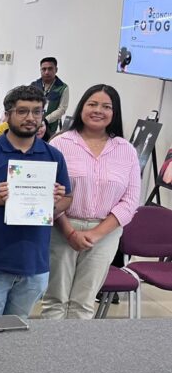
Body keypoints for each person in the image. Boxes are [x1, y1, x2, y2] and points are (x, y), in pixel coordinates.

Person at [0, 85, 72, 318]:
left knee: (18, 327)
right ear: (8, 115)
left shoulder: (53, 156)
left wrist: (53, 202)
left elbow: (67, 198)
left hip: (34, 261)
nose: (31, 118)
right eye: (22, 111)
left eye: (37, 112)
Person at [40, 84, 140, 319]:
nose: (98, 110)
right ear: (81, 107)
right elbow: (47, 194)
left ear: (114, 112)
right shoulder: (60, 144)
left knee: (83, 303)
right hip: (61, 228)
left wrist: (95, 234)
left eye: (106, 106)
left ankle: (76, 345)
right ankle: (49, 344)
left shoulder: (126, 150)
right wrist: (70, 233)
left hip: (105, 234)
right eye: (92, 104)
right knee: (54, 300)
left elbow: (130, 200)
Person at [30, 57, 69, 134]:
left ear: (56, 70)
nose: (46, 72)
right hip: (32, 124)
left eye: (50, 69)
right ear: (40, 70)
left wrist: (45, 120)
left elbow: (62, 109)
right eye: (44, 69)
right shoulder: (33, 85)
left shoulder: (63, 88)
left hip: (50, 128)